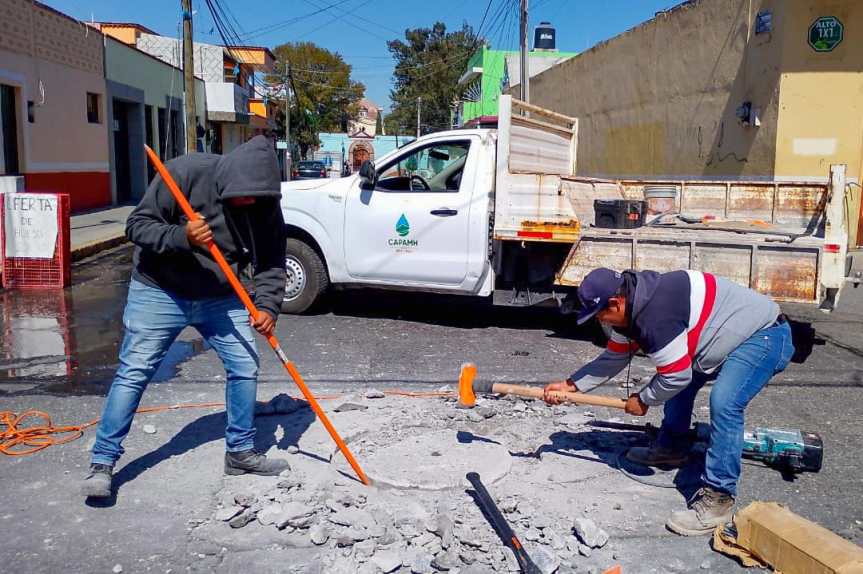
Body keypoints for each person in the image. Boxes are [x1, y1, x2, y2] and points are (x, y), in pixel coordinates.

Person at [82, 136, 289, 499]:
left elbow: (272, 260)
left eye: (255, 198)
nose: (247, 203)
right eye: (241, 196)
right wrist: (183, 235)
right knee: (135, 371)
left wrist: (269, 307)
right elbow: (137, 225)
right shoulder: (186, 172)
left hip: (221, 295)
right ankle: (102, 463)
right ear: (228, 181)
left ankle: (240, 452)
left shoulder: (264, 202)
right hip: (160, 289)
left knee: (245, 365)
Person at [545, 268, 794, 536]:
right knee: (678, 384)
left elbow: (675, 376)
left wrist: (643, 399)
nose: (600, 321)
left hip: (764, 335)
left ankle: (719, 498)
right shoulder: (631, 307)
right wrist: (570, 385)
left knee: (725, 403)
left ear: (615, 303)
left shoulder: (655, 316)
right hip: (723, 335)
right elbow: (614, 358)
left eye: (599, 314)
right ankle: (672, 448)